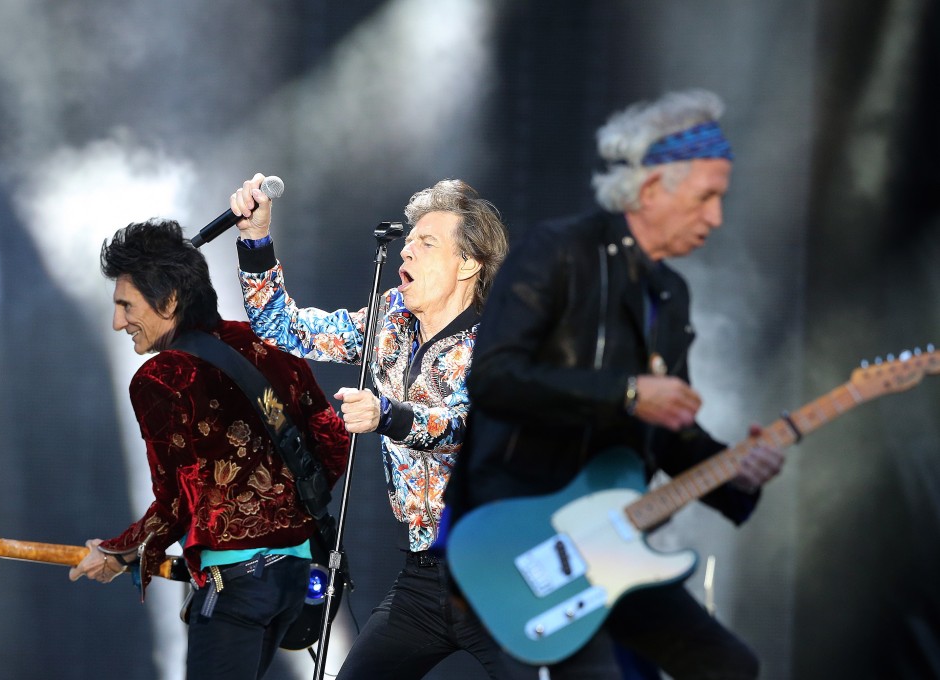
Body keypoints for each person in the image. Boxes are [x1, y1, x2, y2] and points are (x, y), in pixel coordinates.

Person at [444, 89, 786, 679]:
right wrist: (625, 392)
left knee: (730, 667)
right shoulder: (557, 253)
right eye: (707, 198)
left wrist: (738, 471)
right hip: (521, 532)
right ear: (653, 189)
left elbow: (669, 434)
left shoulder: (671, 295)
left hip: (610, 544)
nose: (716, 218)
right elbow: (494, 378)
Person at [228, 174, 511, 678]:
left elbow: (463, 425)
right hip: (425, 579)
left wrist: (386, 415)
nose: (406, 254)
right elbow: (282, 327)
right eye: (407, 244)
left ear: (469, 263)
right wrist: (256, 240)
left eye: (426, 244)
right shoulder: (390, 322)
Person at [68, 219, 350, 680]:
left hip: (235, 587)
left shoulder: (161, 378)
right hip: (296, 578)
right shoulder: (267, 341)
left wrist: (119, 553)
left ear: (170, 300)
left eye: (125, 305)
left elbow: (176, 503)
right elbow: (333, 445)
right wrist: (280, 515)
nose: (117, 322)